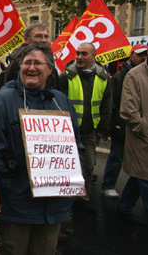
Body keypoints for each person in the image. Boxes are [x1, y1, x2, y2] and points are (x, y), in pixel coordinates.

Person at [0, 43, 84, 255]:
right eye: (26, 63)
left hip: (54, 205)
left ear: (50, 69)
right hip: (18, 203)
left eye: (37, 63)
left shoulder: (61, 102)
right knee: (10, 250)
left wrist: (74, 181)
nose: (31, 68)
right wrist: (8, 186)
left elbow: (77, 146)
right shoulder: (3, 101)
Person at [59, 42, 112, 211]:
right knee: (66, 164)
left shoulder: (103, 78)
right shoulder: (66, 76)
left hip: (89, 131)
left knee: (88, 164)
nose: (80, 57)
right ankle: (63, 196)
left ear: (93, 57)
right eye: (78, 53)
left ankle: (82, 194)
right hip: (68, 131)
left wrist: (102, 129)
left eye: (84, 54)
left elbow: (106, 104)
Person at [101, 43, 147, 198]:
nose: (143, 57)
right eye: (140, 54)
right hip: (123, 125)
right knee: (117, 157)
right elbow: (115, 102)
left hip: (137, 126)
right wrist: (112, 126)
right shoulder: (123, 75)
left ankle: (126, 204)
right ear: (132, 55)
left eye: (144, 55)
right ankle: (108, 184)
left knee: (140, 166)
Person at [116, 51, 148, 221]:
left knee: (140, 176)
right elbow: (128, 111)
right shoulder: (134, 75)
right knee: (145, 178)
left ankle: (125, 206)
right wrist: (145, 129)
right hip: (141, 138)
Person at [2, 23, 60, 90]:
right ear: (26, 40)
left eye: (46, 36)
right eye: (38, 36)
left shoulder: (50, 63)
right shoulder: (17, 63)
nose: (43, 40)